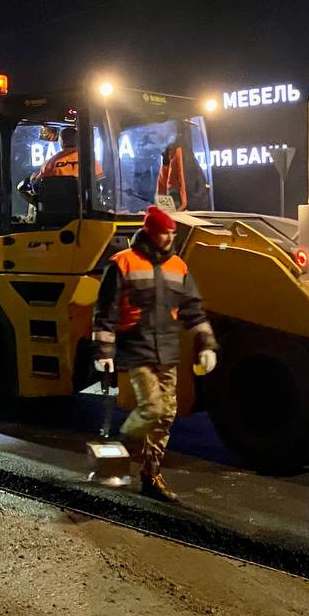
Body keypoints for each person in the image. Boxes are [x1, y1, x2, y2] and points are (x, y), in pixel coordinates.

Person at [92, 205, 218, 502]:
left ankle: (151, 475)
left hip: (167, 352)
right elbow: (106, 310)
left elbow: (193, 310)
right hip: (137, 350)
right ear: (150, 232)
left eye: (172, 233)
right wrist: (104, 350)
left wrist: (207, 344)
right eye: (165, 233)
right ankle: (120, 450)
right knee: (152, 408)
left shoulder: (178, 266)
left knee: (166, 416)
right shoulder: (122, 263)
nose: (170, 238)